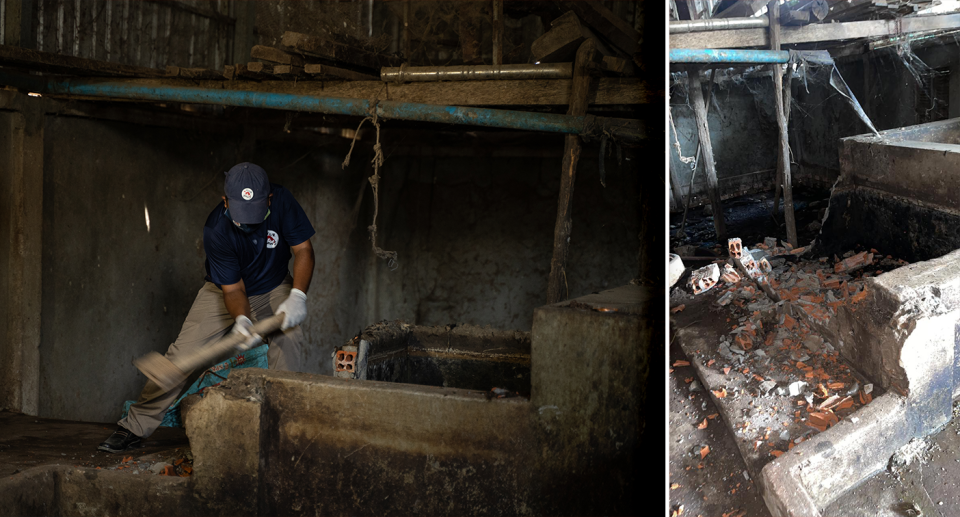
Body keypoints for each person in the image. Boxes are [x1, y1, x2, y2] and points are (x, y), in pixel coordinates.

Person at [98, 162, 316, 453]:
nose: (249, 223)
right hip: (224, 291)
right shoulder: (216, 229)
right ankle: (135, 427)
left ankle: (283, 433)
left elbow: (303, 249)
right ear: (225, 201)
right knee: (182, 355)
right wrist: (242, 318)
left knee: (289, 339)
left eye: (255, 215)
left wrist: (298, 295)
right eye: (242, 217)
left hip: (274, 286)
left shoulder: (283, 201)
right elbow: (234, 289)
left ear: (269, 200)